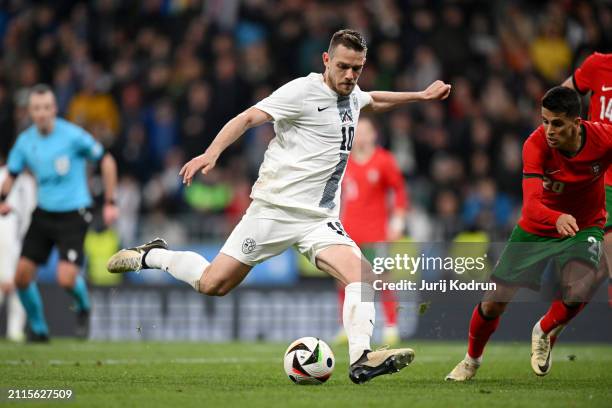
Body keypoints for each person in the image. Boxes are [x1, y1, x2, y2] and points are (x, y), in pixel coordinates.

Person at [107, 29, 451, 384]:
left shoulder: (352, 94)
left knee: (363, 276)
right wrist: (212, 153)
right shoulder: (301, 92)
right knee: (213, 284)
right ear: (326, 60)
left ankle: (361, 358)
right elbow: (247, 118)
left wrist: (421, 96)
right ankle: (155, 255)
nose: (351, 76)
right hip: (272, 211)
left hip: (318, 219)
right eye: (345, 67)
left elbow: (373, 100)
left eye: (358, 69)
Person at [446, 86, 611, 381]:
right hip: (538, 227)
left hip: (585, 225)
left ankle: (544, 330)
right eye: (545, 120)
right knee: (493, 301)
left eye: (557, 123)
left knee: (581, 286)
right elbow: (532, 206)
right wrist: (557, 217)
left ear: (577, 121)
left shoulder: (603, 138)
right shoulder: (535, 145)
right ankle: (471, 360)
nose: (549, 129)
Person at [0, 84, 119, 342]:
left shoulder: (73, 136)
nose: (41, 113)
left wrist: (110, 201)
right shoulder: (25, 142)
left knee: (65, 279)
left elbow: (107, 160)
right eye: (36, 109)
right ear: (30, 112)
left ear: (54, 109)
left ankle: (84, 307)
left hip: (74, 212)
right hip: (44, 213)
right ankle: (39, 329)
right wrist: (2, 199)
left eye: (45, 108)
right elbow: (11, 173)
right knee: (21, 277)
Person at [336, 116, 408, 345]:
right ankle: (346, 326)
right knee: (344, 280)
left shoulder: (383, 160)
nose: (361, 136)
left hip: (376, 233)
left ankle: (391, 325)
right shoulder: (344, 161)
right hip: (349, 231)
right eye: (358, 131)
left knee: (382, 279)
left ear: (374, 135)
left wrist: (397, 222)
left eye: (366, 131)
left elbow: (399, 191)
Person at [562, 52, 612, 308]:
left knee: (600, 272)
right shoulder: (598, 65)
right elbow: (563, 96)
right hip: (603, 182)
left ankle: (546, 328)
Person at [0, 160, 36, 342]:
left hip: (24, 238)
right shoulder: (3, 175)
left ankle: (15, 331)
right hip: (4, 236)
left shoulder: (29, 182)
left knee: (22, 283)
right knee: (5, 283)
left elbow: (32, 210)